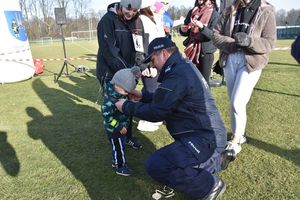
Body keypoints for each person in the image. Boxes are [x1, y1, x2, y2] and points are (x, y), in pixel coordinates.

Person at [115, 37, 235, 200]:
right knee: (174, 159)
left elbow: (157, 112)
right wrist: (143, 96)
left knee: (157, 164)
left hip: (205, 139)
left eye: (153, 59)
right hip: (206, 136)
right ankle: (216, 160)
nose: (152, 64)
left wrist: (126, 106)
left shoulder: (178, 74)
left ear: (163, 53)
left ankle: (209, 186)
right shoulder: (181, 68)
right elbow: (167, 97)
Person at [212, 0, 276, 154]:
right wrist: (233, 43)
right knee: (234, 101)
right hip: (229, 58)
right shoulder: (230, 9)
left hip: (251, 61)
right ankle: (239, 135)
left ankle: (235, 141)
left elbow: (269, 43)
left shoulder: (267, 10)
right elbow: (215, 34)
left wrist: (249, 41)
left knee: (237, 101)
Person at [96, 0, 144, 149]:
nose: (131, 13)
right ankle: (116, 143)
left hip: (130, 72)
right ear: (121, 5)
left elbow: (140, 46)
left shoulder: (136, 21)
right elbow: (110, 52)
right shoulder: (107, 20)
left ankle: (128, 136)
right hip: (112, 74)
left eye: (135, 10)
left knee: (128, 105)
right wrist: (128, 72)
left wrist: (139, 65)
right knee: (114, 109)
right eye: (128, 9)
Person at [102, 66, 141, 176]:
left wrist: (131, 101)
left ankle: (116, 161)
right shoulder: (109, 101)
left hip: (122, 126)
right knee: (119, 148)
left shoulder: (119, 93)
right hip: (115, 130)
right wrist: (118, 126)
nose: (127, 93)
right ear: (118, 85)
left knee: (119, 146)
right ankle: (120, 166)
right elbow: (107, 118)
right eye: (126, 90)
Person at [136, 0, 166, 132]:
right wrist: (147, 65)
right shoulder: (141, 19)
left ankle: (153, 117)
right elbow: (141, 46)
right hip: (149, 63)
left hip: (160, 61)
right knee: (150, 91)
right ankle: (145, 120)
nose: (158, 5)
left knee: (157, 90)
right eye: (155, 3)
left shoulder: (157, 19)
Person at [180, 0, 219, 85]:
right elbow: (185, 30)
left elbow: (212, 35)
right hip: (191, 49)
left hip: (206, 52)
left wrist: (201, 27)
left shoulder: (214, 14)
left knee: (203, 83)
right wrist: (183, 29)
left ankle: (206, 98)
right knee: (190, 80)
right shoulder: (192, 11)